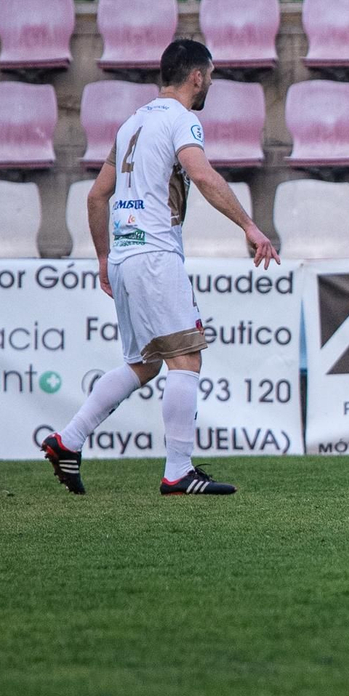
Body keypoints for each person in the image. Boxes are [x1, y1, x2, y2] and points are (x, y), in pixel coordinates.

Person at [41, 39, 280, 495]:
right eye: (209, 75)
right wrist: (250, 226)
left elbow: (97, 196)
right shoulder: (181, 120)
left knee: (143, 363)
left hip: (128, 254)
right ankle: (178, 471)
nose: (209, 82)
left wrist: (104, 258)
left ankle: (68, 440)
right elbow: (204, 175)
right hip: (154, 254)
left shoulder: (132, 123)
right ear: (196, 76)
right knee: (186, 358)